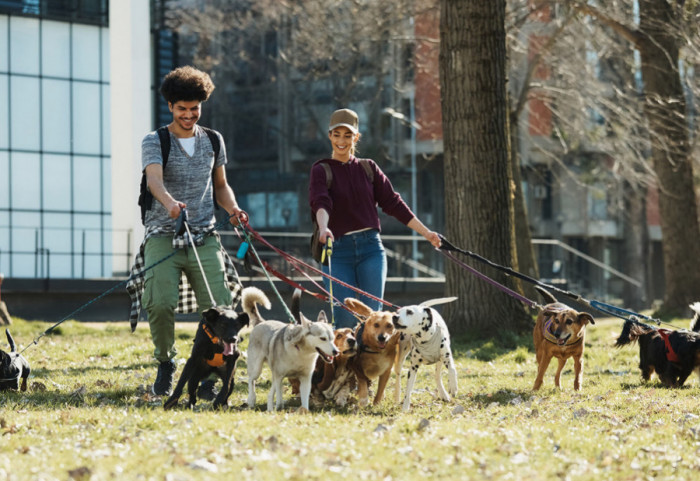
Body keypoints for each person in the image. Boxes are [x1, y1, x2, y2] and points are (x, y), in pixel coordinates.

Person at [132, 66, 245, 397]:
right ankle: (166, 362)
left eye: (194, 108)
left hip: (203, 234)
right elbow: (154, 180)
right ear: (170, 106)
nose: (188, 115)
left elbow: (221, 186)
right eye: (181, 108)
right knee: (160, 302)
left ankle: (212, 368)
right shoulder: (156, 141)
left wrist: (233, 210)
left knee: (220, 305)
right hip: (163, 233)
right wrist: (169, 203)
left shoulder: (212, 140)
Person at [309, 108, 441, 329]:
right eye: (337, 134)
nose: (342, 140)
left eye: (348, 135)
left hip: (371, 249)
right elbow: (320, 202)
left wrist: (427, 234)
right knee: (346, 319)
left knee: (373, 319)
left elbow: (393, 203)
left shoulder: (368, 168)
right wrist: (323, 228)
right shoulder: (321, 170)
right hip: (337, 251)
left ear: (356, 137)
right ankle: (343, 363)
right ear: (330, 136)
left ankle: (371, 364)